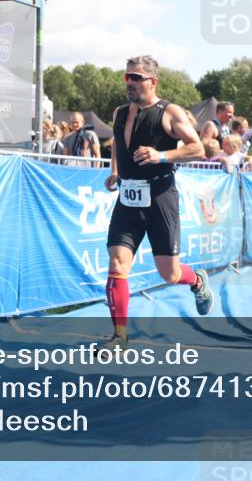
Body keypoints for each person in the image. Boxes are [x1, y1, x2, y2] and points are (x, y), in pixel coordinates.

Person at [102, 55, 212, 352]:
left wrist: (161, 155)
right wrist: (115, 171)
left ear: (153, 81)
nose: (131, 83)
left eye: (137, 78)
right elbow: (117, 144)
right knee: (117, 263)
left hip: (160, 197)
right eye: (127, 77)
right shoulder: (120, 112)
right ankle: (119, 337)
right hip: (128, 199)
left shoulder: (169, 112)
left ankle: (197, 281)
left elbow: (198, 148)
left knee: (170, 273)